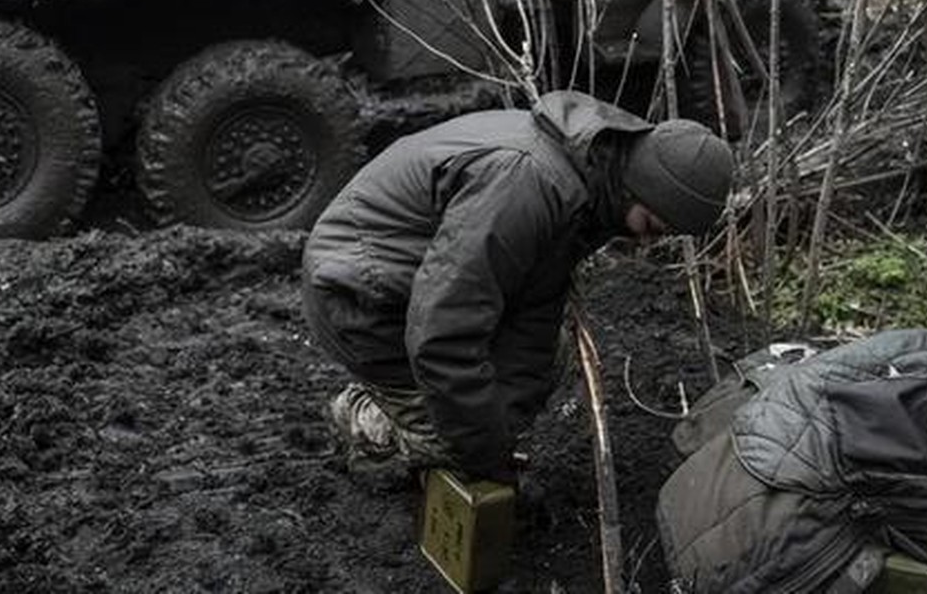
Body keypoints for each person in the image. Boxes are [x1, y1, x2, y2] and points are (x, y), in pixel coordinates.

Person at [300, 90, 733, 484]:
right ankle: (367, 421)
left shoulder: (590, 186)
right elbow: (444, 332)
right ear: (641, 188)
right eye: (653, 226)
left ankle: (418, 412)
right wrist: (479, 454)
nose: (645, 240)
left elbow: (534, 317)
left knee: (545, 360)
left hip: (412, 283)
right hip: (360, 294)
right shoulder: (528, 184)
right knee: (446, 444)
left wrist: (500, 437)